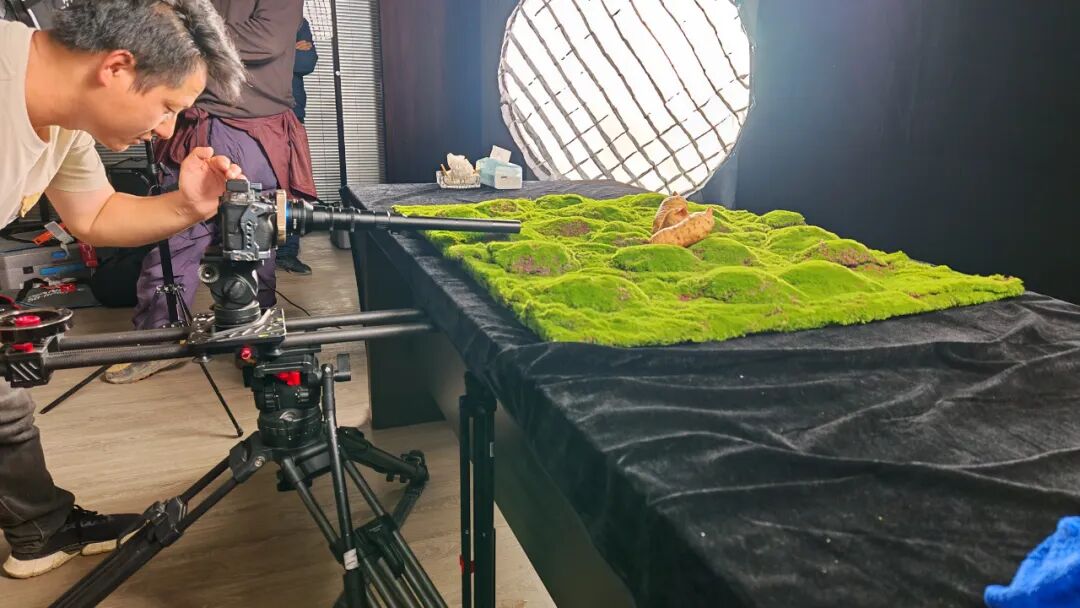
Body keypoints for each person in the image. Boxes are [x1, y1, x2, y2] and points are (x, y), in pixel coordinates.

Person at [0, 0, 246, 578]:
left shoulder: (64, 113)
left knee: (5, 403)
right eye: (167, 107)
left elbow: (95, 213)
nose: (166, 130)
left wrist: (188, 205)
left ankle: (41, 531)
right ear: (116, 67)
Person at [104, 0, 316, 384]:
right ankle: (159, 342)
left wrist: (182, 33)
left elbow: (266, 40)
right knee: (175, 236)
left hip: (250, 128)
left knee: (252, 239)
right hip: (193, 121)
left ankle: (254, 340)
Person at [275, 16, 318, 275]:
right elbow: (248, 58)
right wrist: (290, 49)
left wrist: (277, 53)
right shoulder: (247, 16)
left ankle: (287, 253)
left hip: (293, 114)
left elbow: (307, 62)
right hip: (257, 114)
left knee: (292, 184)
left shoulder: (298, 21)